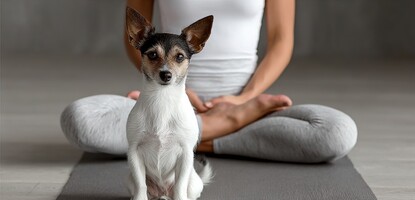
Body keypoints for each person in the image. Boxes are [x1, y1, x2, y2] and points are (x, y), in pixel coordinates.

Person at [61, 0, 357, 163]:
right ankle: (221, 128)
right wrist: (178, 93)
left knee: (336, 132)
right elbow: (138, 41)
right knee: (80, 119)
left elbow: (282, 42)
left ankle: (192, 138)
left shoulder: (246, 102)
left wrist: (244, 100)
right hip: (167, 105)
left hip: (248, 107)